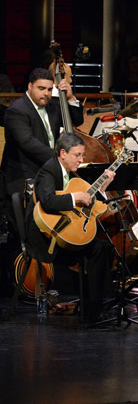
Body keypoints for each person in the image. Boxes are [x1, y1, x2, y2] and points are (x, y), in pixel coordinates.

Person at [25, 133, 115, 322]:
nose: (82, 160)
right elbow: (48, 201)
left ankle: (95, 305)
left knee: (103, 247)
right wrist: (75, 198)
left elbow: (88, 201)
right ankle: (93, 312)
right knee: (98, 249)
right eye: (78, 155)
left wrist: (102, 190)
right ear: (63, 153)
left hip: (65, 233)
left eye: (82, 155)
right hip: (47, 238)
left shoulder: (72, 172)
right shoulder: (48, 171)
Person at [2, 67, 84, 199]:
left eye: (50, 89)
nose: (46, 93)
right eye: (41, 88)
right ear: (30, 86)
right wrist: (60, 159)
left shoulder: (53, 106)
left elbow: (77, 120)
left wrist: (70, 98)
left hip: (47, 173)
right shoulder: (17, 110)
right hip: (23, 176)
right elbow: (28, 142)